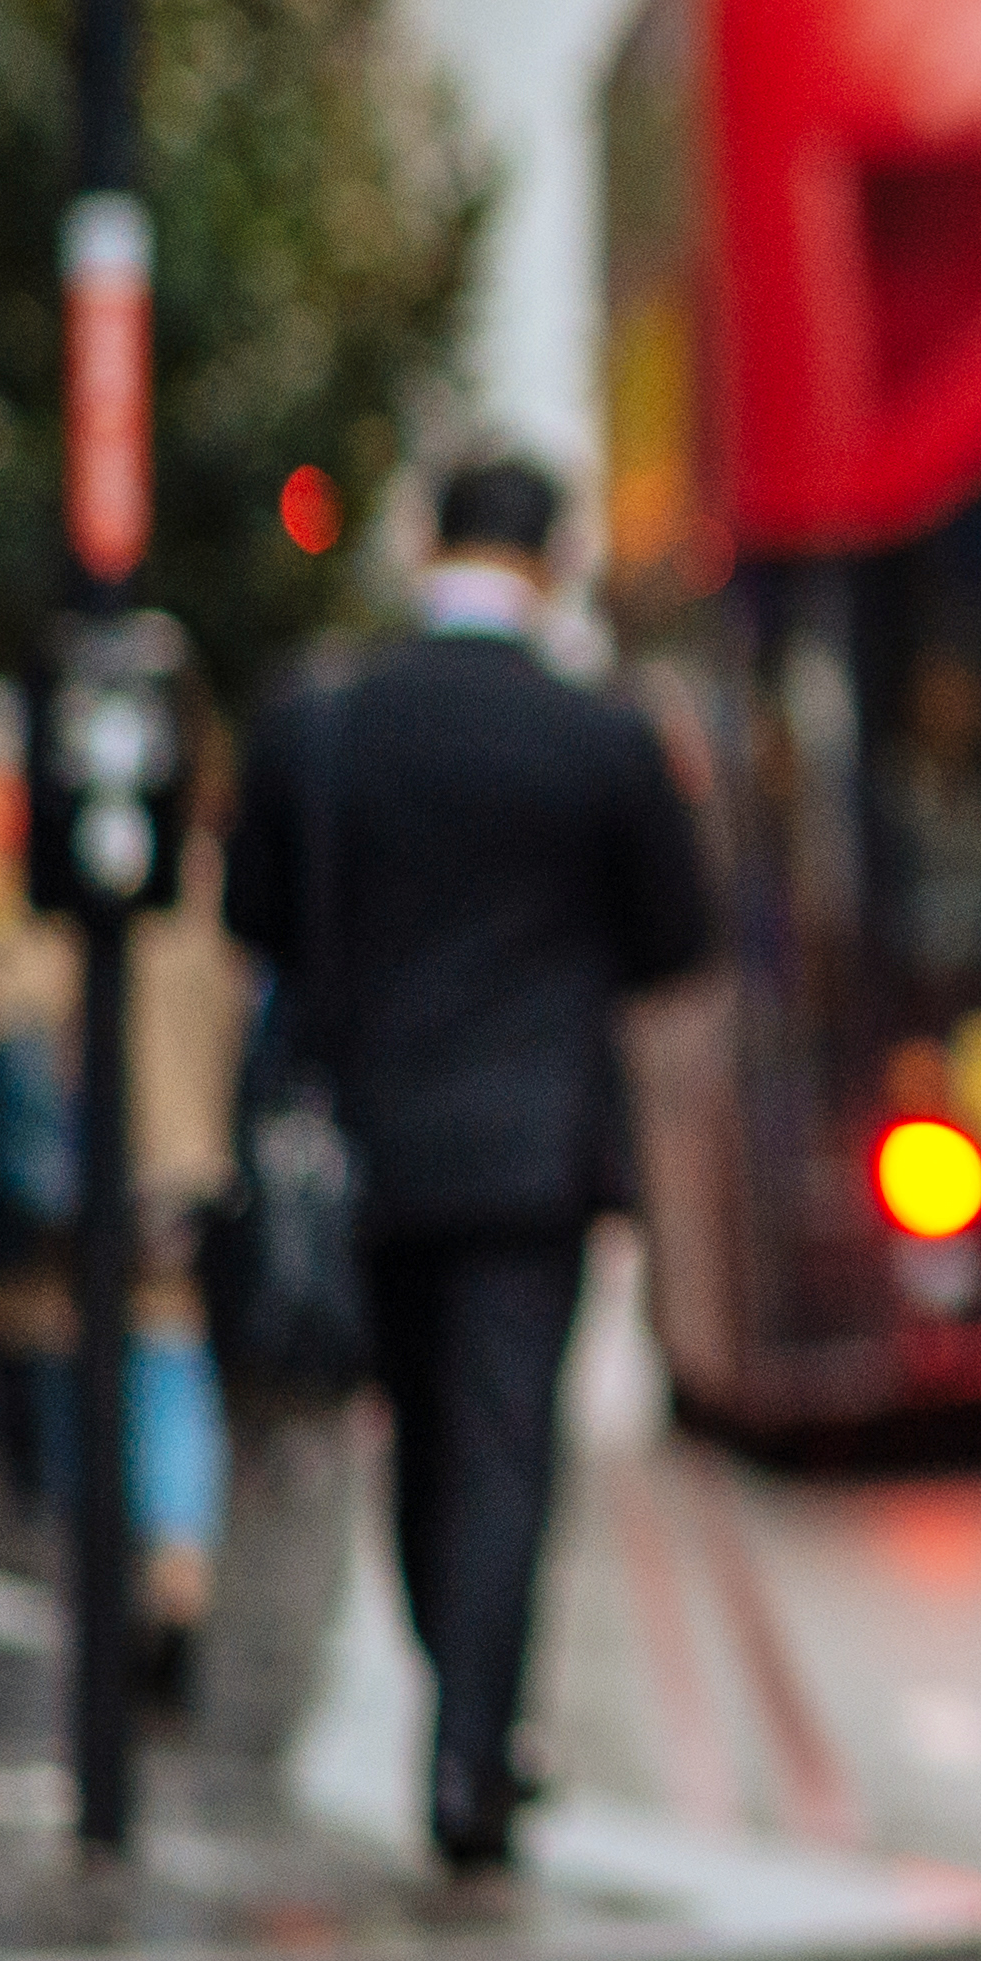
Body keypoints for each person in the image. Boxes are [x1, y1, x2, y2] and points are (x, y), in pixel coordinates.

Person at [220, 457, 712, 1882]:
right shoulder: (597, 737)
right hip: (532, 1159)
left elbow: (256, 911)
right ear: (551, 561)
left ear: (427, 541)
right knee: (504, 1454)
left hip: (363, 1151)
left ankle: (464, 1716)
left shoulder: (326, 721)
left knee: (421, 1446)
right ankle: (473, 1751)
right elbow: (674, 937)